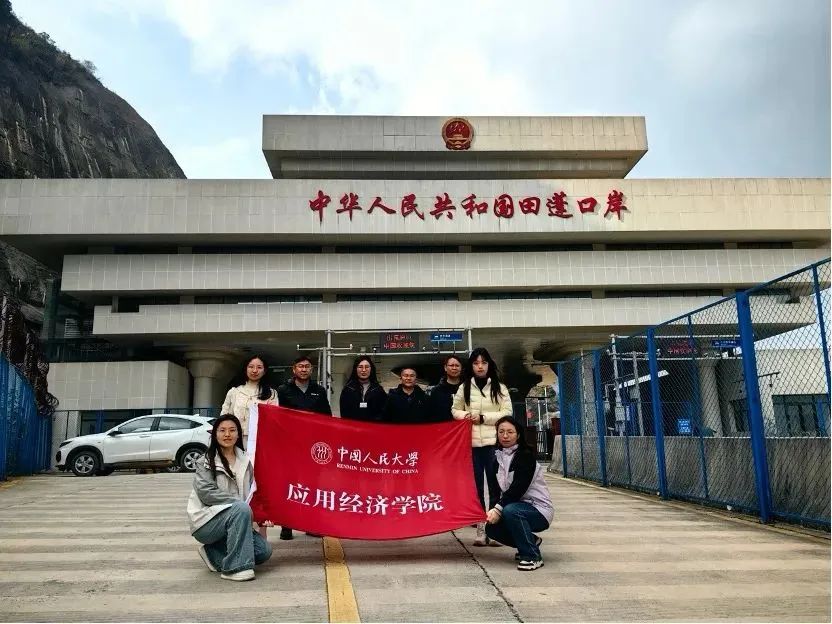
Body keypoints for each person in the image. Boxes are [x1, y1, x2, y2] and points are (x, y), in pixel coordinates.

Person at [186, 413, 272, 581]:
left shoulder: (247, 461)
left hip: (237, 519)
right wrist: (239, 505)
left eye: (232, 430)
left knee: (263, 551)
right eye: (222, 430)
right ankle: (234, 568)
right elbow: (206, 493)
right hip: (206, 522)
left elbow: (254, 493)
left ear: (238, 434)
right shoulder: (205, 461)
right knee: (240, 508)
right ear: (215, 434)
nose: (227, 434)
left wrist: (263, 516)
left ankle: (212, 553)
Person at [452, 347, 512, 546]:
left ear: (489, 365)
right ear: (471, 366)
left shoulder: (499, 387)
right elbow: (454, 409)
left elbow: (507, 412)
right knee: (476, 487)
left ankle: (494, 529)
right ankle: (480, 527)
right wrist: (465, 415)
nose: (480, 366)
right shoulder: (464, 387)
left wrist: (484, 418)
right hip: (471, 445)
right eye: (476, 363)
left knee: (495, 486)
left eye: (483, 363)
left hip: (493, 444)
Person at [485, 415, 554, 571]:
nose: (505, 436)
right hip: (513, 507)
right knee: (491, 528)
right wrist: (491, 512)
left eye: (510, 432)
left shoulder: (525, 456)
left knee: (511, 511)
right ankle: (531, 541)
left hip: (538, 511)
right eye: (501, 432)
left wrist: (498, 509)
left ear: (518, 435)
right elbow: (495, 492)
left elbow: (518, 489)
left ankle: (532, 556)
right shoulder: (496, 459)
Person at [277, 354, 332, 540]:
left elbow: (326, 417)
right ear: (294, 369)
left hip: (313, 446)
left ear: (311, 370)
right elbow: (277, 416)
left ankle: (310, 524)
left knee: (312, 485)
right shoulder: (283, 390)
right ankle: (287, 525)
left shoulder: (319, 390)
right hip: (290, 445)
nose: (303, 369)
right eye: (300, 366)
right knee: (290, 485)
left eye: (307, 366)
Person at [221, 355, 279, 445]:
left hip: (259, 440)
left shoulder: (271, 394)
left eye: (259, 367)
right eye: (251, 367)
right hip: (235, 439)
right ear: (245, 369)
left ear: (264, 371)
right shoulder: (234, 392)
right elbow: (224, 416)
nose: (254, 370)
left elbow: (273, 419)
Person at [339, 356, 387, 422]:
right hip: (353, 427)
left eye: (367, 367)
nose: (364, 370)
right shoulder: (348, 390)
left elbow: (383, 414)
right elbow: (344, 414)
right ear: (355, 369)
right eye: (360, 367)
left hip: (373, 427)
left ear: (371, 369)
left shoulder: (378, 390)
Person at [426, 355, 463, 422]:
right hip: (444, 427)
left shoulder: (467, 388)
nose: (454, 368)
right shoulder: (436, 391)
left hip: (463, 427)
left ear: (461, 368)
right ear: (445, 368)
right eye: (451, 365)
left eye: (457, 366)